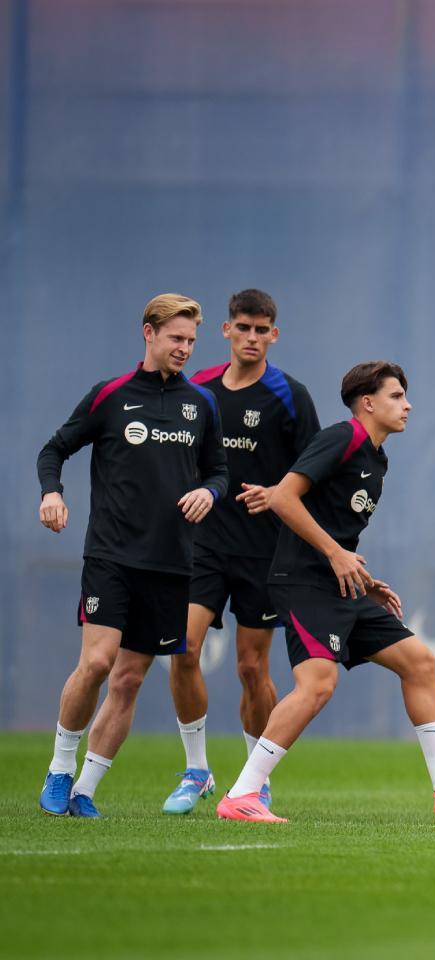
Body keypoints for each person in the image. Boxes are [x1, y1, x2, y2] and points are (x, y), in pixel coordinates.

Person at [216, 362, 435, 823]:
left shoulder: (376, 456)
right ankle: (242, 795)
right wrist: (336, 554)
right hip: (304, 581)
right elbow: (284, 498)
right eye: (397, 396)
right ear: (368, 403)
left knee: (419, 662)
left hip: (341, 585)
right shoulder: (344, 436)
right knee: (317, 686)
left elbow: (326, 519)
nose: (408, 405)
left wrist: (361, 578)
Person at [37, 294, 229, 818]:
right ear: (148, 333)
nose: (185, 349)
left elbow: (218, 471)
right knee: (97, 663)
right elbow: (54, 449)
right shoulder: (111, 396)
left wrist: (210, 492)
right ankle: (58, 771)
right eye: (176, 339)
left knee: (128, 680)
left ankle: (84, 791)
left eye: (191, 341)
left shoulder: (200, 404)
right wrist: (52, 492)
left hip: (170, 563)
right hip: (111, 555)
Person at [160, 289, 320, 815]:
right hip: (202, 545)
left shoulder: (290, 396)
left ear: (275, 335)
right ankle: (197, 770)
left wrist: (276, 496)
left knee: (253, 668)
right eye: (242, 328)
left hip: (264, 552)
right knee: (182, 649)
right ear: (226, 331)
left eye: (261, 330)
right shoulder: (197, 388)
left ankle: (255, 782)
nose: (251, 338)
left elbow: (315, 474)